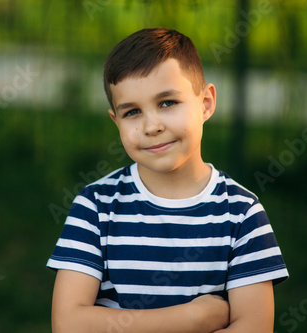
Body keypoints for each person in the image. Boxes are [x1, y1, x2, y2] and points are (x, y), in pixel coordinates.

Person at [47, 27, 289, 333]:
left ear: (205, 103)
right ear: (115, 121)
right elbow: (68, 325)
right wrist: (191, 319)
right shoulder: (96, 206)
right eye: (132, 111)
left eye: (167, 103)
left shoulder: (241, 214)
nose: (151, 126)